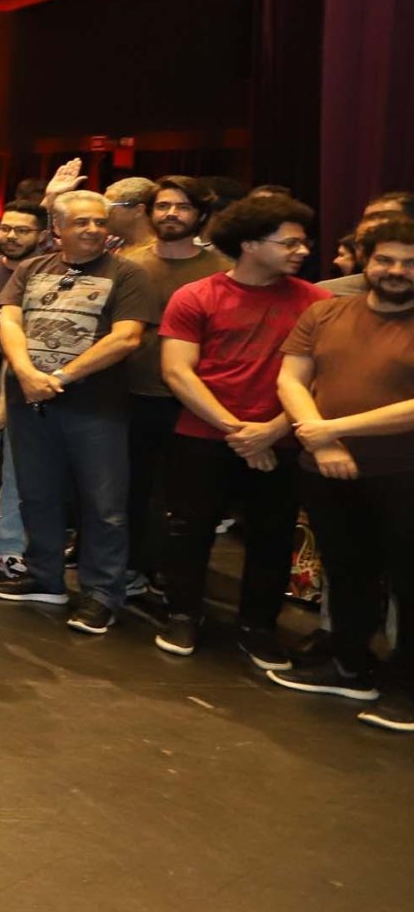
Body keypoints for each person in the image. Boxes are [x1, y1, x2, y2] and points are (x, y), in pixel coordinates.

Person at [149, 195, 325, 664]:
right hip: (204, 434)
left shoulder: (318, 303)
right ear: (249, 244)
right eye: (289, 242)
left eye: (304, 242)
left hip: (282, 439)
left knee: (272, 537)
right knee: (189, 531)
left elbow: (323, 379)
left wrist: (270, 431)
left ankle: (258, 627)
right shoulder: (197, 296)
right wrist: (239, 431)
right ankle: (182, 615)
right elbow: (178, 372)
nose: (301, 251)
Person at [0, 190, 163, 634]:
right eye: (82, 222)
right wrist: (26, 373)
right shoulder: (31, 269)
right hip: (30, 397)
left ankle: (102, 594)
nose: (93, 230)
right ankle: (45, 577)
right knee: (37, 492)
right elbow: (9, 321)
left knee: (103, 504)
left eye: (100, 222)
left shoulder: (128, 274)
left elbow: (126, 338)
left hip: (94, 404)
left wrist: (60, 377)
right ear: (57, 230)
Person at [269, 217, 414, 725]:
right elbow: (291, 378)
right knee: (349, 573)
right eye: (386, 260)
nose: (396, 270)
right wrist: (319, 434)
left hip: (402, 473)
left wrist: (332, 429)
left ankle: (407, 689)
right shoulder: (325, 313)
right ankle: (350, 669)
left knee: (408, 581)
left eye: (409, 262)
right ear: (366, 262)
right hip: (325, 468)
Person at [119, 176, 224, 605]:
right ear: (149, 213)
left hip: (191, 399)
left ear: (200, 215)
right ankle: (127, 569)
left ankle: (172, 577)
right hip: (128, 391)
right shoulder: (128, 263)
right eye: (162, 206)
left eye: (182, 207)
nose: (171, 214)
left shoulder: (222, 268)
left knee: (184, 497)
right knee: (129, 490)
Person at [0, 200, 49, 296]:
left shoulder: (51, 273)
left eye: (22, 230)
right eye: (5, 229)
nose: (11, 236)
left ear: (42, 236)